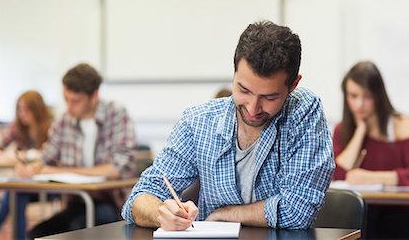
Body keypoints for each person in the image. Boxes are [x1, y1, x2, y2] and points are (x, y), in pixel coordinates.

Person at [121, 20, 334, 230]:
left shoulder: (303, 112)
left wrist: (226, 214)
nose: (253, 108)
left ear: (293, 85)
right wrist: (161, 214)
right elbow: (139, 199)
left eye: (269, 97)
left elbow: (298, 211)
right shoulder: (198, 122)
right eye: (244, 90)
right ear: (234, 73)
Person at [15, 63, 137, 239]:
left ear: (94, 96)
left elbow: (116, 169)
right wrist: (31, 168)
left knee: (77, 229)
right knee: (36, 234)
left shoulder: (116, 114)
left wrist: (59, 170)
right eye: (66, 99)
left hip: (112, 204)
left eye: (76, 101)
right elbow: (46, 158)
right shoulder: (65, 120)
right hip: (77, 202)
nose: (69, 106)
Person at [332, 61, 409, 239]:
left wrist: (371, 177)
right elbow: (337, 175)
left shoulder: (399, 124)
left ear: (378, 96)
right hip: (366, 213)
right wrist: (360, 132)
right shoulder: (343, 129)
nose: (359, 105)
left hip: (404, 214)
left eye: (367, 97)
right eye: (353, 96)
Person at [0, 90, 53, 239]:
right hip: (27, 183)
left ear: (37, 109)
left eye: (26, 110)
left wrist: (27, 156)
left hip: (50, 183)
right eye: (20, 109)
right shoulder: (16, 128)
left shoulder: (52, 127)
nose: (22, 114)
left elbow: (48, 156)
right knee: (16, 192)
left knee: (15, 191)